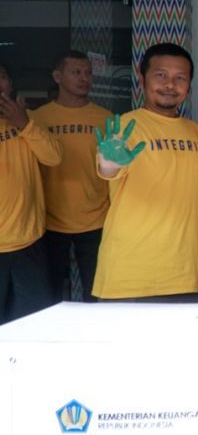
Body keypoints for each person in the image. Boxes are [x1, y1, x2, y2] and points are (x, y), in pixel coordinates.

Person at [92, 43, 198, 301]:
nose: (170, 84)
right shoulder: (123, 128)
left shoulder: (197, 132)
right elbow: (108, 170)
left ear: (189, 84)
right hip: (130, 274)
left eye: (180, 78)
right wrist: (109, 162)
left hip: (186, 273)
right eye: (161, 75)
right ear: (142, 77)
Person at [28, 51, 111, 303]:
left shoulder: (106, 119)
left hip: (96, 217)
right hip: (50, 219)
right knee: (50, 294)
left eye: (88, 72)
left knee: (97, 294)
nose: (84, 78)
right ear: (57, 76)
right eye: (76, 72)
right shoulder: (36, 119)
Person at [0, 60, 62, 322]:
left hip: (29, 241)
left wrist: (24, 123)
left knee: (34, 322)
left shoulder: (30, 120)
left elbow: (53, 157)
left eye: (2, 77)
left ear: (10, 84)